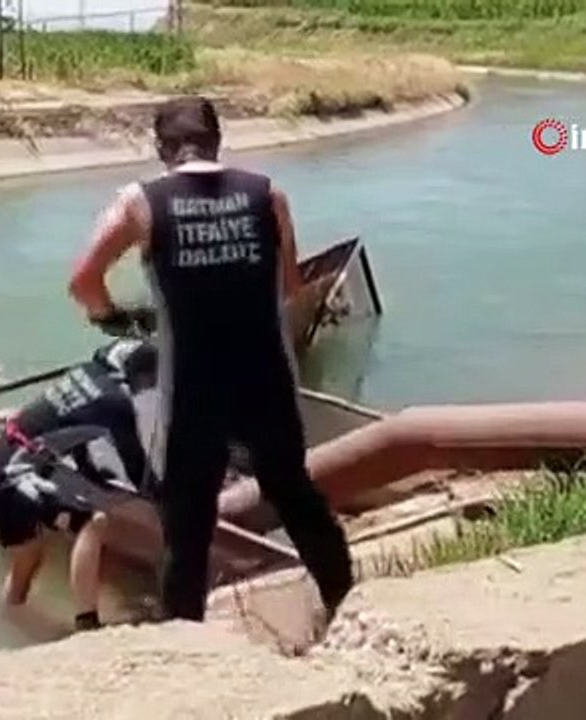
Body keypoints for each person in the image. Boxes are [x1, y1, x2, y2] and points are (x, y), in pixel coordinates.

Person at [66, 95, 354, 623]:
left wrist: (117, 319)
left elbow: (83, 281)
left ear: (161, 149)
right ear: (218, 141)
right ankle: (347, 605)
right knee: (296, 497)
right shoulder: (268, 195)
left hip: (193, 389)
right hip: (266, 378)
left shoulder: (140, 202)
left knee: (187, 525)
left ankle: (187, 644)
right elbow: (290, 287)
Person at [0, 338, 158, 632]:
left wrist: (95, 479)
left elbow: (74, 432)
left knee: (80, 526)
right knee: (40, 555)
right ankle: (65, 621)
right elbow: (139, 470)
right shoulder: (116, 405)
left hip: (20, 460)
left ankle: (53, 617)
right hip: (12, 477)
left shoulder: (88, 372)